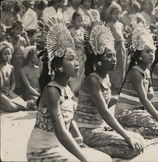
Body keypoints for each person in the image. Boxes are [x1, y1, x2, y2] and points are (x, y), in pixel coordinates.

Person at [26, 18, 112, 162]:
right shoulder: (52, 91)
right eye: (71, 59)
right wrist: (83, 158)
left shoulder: (67, 89)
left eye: (76, 59)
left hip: (59, 146)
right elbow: (60, 132)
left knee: (105, 159)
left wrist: (79, 141)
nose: (77, 63)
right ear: (59, 67)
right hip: (42, 151)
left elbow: (70, 120)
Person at [75, 21, 146, 159]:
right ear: (97, 61)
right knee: (131, 147)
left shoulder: (105, 77)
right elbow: (105, 112)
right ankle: (87, 149)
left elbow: (105, 103)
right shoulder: (92, 80)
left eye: (114, 55)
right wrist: (125, 135)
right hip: (86, 130)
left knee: (140, 140)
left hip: (99, 128)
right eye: (109, 56)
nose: (114, 59)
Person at [115, 23, 158, 139]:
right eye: (147, 52)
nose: (151, 54)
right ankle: (125, 130)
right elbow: (145, 100)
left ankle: (127, 128)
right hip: (125, 112)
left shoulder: (146, 71)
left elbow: (149, 96)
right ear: (139, 56)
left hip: (137, 110)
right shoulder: (136, 72)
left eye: (152, 51)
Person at [0, 41, 35, 112]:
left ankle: (23, 104)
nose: (7, 56)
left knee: (21, 104)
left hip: (9, 91)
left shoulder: (11, 67)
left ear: (11, 55)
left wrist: (11, 90)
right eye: (5, 54)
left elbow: (13, 82)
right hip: (1, 92)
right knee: (11, 107)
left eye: (9, 54)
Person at [107, 2, 127, 94]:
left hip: (121, 47)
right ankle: (113, 85)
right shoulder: (109, 24)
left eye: (118, 13)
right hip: (113, 46)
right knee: (113, 65)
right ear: (111, 14)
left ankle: (120, 85)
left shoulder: (121, 25)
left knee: (121, 65)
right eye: (114, 13)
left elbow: (122, 36)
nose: (116, 15)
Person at [8, 21, 30, 95]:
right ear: (13, 29)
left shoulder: (23, 38)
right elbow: (13, 50)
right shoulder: (10, 38)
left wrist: (26, 37)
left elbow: (28, 46)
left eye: (20, 30)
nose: (19, 31)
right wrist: (18, 40)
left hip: (23, 59)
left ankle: (24, 91)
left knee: (23, 76)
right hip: (16, 60)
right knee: (17, 76)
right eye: (17, 29)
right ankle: (17, 91)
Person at [69, 12, 86, 94]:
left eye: (82, 21)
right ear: (73, 21)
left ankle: (79, 90)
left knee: (81, 73)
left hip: (82, 55)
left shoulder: (83, 32)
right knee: (74, 73)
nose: (80, 23)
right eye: (78, 20)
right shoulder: (70, 32)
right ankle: (72, 90)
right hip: (74, 55)